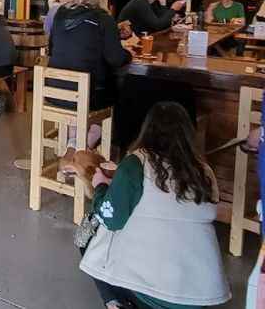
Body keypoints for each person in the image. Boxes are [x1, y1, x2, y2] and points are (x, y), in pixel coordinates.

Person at [80, 102, 231, 309]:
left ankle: (115, 303)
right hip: (201, 295)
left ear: (147, 129)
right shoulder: (204, 170)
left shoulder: (136, 162)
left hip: (150, 292)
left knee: (89, 227)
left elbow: (111, 218)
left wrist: (99, 187)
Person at [49, 0, 131, 155]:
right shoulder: (104, 19)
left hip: (54, 92)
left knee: (83, 96)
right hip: (87, 96)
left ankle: (74, 141)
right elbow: (115, 59)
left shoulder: (59, 15)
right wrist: (129, 54)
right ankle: (83, 147)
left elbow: (52, 48)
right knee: (120, 96)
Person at [118, 0, 186, 36]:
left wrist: (163, 5)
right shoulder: (140, 2)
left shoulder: (151, 3)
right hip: (127, 43)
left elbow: (163, 23)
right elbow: (157, 25)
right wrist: (173, 9)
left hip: (137, 40)